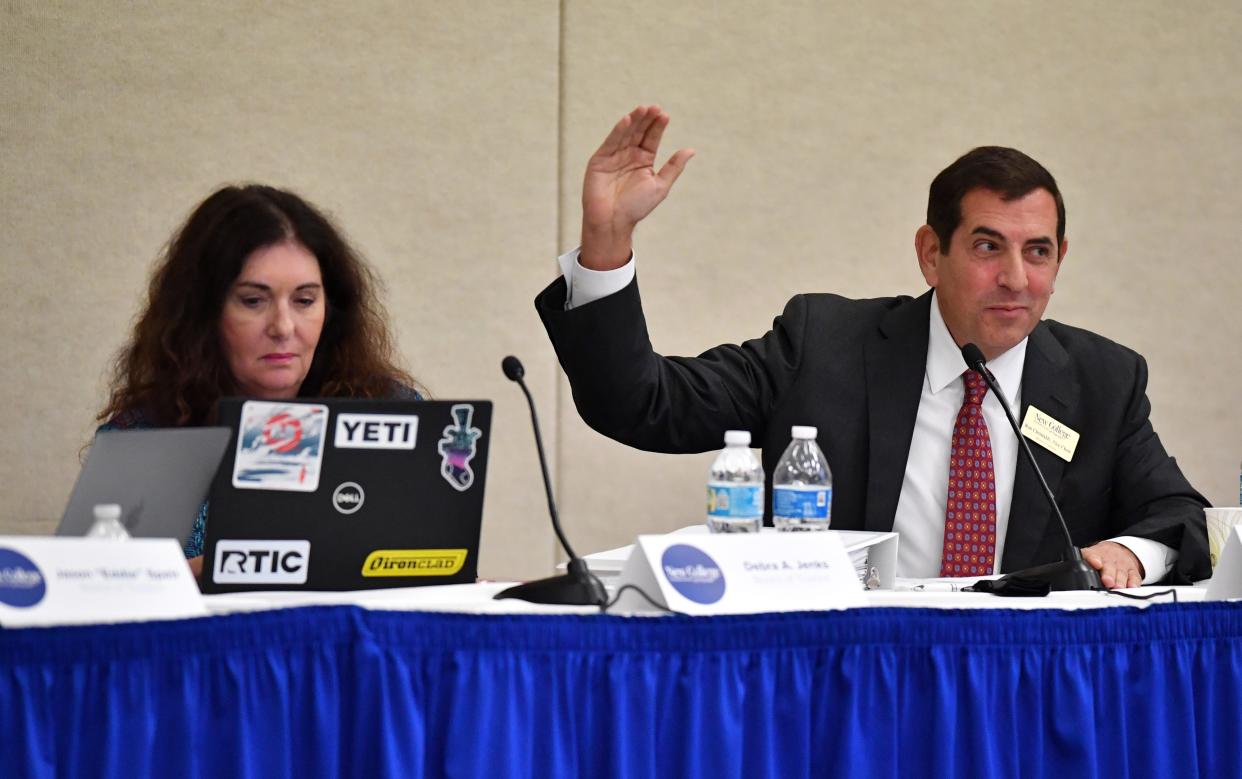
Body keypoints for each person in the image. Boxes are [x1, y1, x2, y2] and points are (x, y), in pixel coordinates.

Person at [536, 105, 1210, 586]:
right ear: (930, 253)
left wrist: (1128, 550)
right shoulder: (824, 346)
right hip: (851, 680)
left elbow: (1181, 515)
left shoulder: (1102, 381)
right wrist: (607, 242)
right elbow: (640, 402)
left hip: (1018, 689)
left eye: (1038, 251)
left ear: (1060, 259)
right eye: (986, 246)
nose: (1015, 277)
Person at [97, 184, 420, 574]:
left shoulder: (387, 411)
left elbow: (427, 561)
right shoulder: (147, 436)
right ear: (203, 314)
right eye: (253, 300)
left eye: (304, 301)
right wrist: (214, 569)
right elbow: (107, 592)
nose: (283, 327)